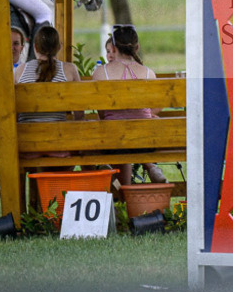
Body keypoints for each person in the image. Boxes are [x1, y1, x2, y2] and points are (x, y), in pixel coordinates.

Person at [92, 26, 166, 185]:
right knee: (131, 133)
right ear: (137, 47)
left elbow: (101, 111)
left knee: (110, 133)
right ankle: (150, 167)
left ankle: (120, 188)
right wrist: (147, 113)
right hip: (145, 142)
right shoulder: (148, 73)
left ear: (113, 48)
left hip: (113, 142)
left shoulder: (101, 73)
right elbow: (160, 103)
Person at [17, 25, 79, 168]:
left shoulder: (20, 71)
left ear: (35, 47)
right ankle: (57, 188)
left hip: (28, 146)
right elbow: (79, 112)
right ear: (59, 47)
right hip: (58, 145)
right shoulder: (69, 70)